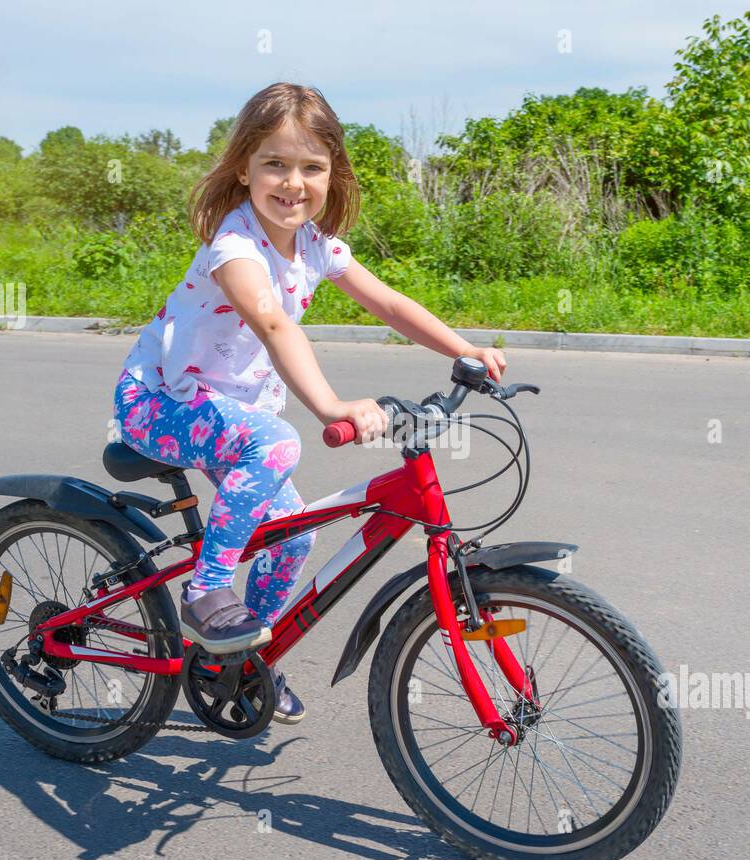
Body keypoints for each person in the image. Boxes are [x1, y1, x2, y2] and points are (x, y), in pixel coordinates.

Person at [112, 81, 506, 724]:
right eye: (275, 163)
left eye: (311, 167)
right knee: (277, 443)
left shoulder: (318, 245)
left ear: (332, 175)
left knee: (290, 539)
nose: (293, 183)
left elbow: (389, 303)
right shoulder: (234, 247)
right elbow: (274, 325)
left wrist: (462, 351)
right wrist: (331, 407)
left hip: (228, 412)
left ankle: (242, 664)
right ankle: (207, 591)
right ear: (243, 168)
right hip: (159, 400)